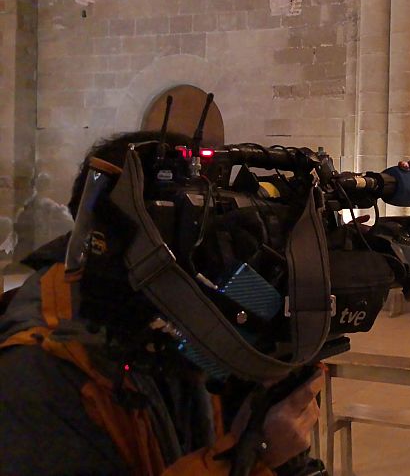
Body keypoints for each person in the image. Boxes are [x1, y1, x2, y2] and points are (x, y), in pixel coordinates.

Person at [0, 131, 325, 476]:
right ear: (129, 246)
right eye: (194, 229)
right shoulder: (37, 372)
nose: (216, 257)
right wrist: (255, 458)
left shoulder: (161, 327)